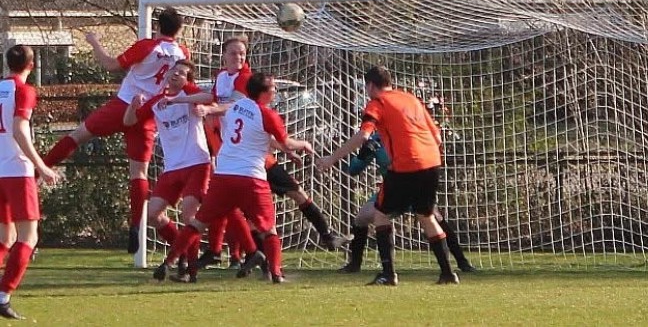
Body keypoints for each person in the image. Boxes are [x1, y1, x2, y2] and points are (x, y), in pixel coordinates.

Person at [174, 37, 348, 270]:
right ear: (224, 55)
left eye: (242, 53)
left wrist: (210, 109)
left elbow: (235, 108)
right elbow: (216, 101)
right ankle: (251, 258)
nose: (239, 57)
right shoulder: (222, 78)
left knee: (291, 194)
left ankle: (321, 235)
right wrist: (182, 99)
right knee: (250, 214)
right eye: (234, 53)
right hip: (242, 159)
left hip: (255, 157)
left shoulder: (246, 78)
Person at [42, 8, 189, 254]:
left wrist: (94, 42)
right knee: (139, 172)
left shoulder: (147, 46)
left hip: (124, 105)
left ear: (158, 26)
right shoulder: (183, 53)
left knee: (77, 135)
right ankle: (136, 225)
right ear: (179, 29)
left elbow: (111, 65)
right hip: (147, 113)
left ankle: (40, 169)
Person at [153, 72, 313, 284]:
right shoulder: (268, 115)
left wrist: (208, 108)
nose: (275, 91)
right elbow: (285, 143)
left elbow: (250, 130)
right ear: (264, 93)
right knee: (268, 229)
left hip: (224, 175)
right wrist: (303, 145)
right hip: (251, 177)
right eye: (273, 88)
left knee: (199, 223)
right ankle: (275, 272)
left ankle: (169, 261)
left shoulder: (236, 107)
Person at [317, 66, 459, 286]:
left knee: (381, 214)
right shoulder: (411, 99)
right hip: (432, 161)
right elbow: (437, 137)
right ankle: (448, 273)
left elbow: (364, 135)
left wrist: (331, 159)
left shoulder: (378, 103)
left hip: (406, 165)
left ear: (371, 85)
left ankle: (388, 274)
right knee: (426, 215)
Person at [123, 60, 215, 282]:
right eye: (174, 71)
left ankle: (190, 271)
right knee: (153, 214)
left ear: (187, 80)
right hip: (172, 167)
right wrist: (133, 105)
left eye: (183, 74)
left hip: (196, 163)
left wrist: (180, 99)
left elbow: (209, 97)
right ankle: (181, 249)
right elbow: (129, 121)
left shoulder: (188, 93)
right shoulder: (157, 101)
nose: (176, 75)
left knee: (188, 216)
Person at [340, 132, 476, 273]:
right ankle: (355, 264)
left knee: (434, 218)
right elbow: (353, 170)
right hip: (391, 191)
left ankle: (461, 262)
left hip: (414, 188)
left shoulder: (410, 134)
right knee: (362, 217)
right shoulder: (376, 140)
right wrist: (362, 154)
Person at [0, 45, 60, 319]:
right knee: (28, 236)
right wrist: (42, 166)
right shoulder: (24, 90)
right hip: (16, 171)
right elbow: (20, 130)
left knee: (6, 237)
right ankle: (3, 295)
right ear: (32, 66)